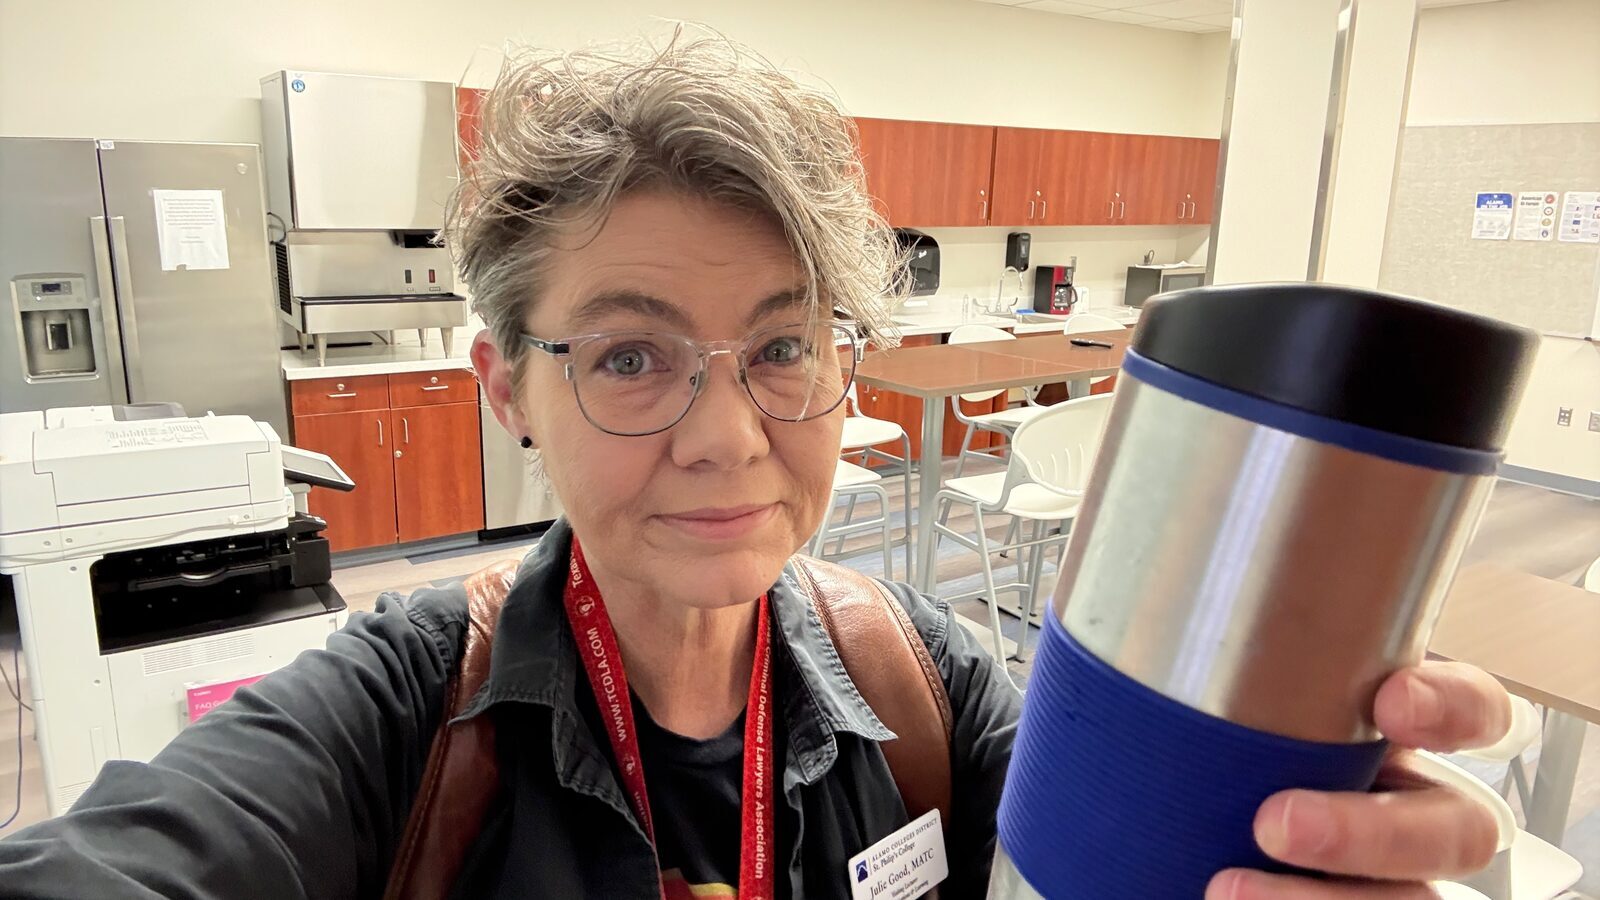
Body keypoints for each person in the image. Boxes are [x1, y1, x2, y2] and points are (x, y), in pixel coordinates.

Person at [0, 33, 1510, 900]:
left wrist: (1287, 824)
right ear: (508, 388)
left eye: (784, 347)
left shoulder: (931, 695)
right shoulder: (398, 720)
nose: (729, 438)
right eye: (633, 354)